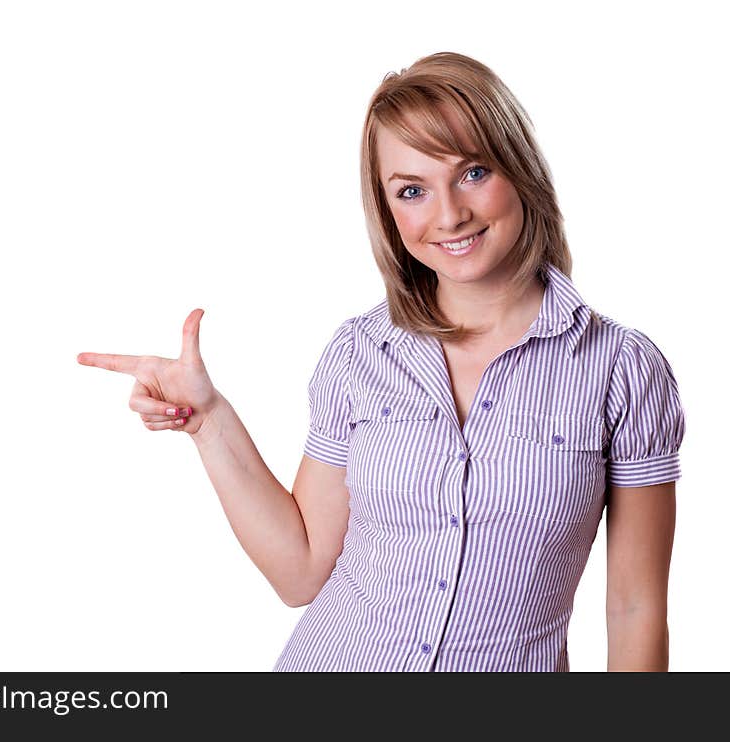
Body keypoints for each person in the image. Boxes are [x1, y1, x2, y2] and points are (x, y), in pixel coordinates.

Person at [76, 51, 686, 672]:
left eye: (473, 173)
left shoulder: (623, 371)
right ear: (389, 212)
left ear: (520, 168)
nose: (449, 215)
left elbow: (635, 608)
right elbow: (301, 572)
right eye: (413, 190)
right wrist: (208, 420)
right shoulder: (360, 355)